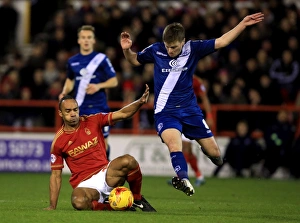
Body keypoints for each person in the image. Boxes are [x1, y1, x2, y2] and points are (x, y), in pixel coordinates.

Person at [120, 12, 264, 196]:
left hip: (190, 111)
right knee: (175, 145)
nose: (170, 51)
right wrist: (126, 50)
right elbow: (134, 60)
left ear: (183, 42)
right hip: (166, 111)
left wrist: (242, 24)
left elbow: (222, 41)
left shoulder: (194, 49)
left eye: (173, 47)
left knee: (216, 155)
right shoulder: (155, 50)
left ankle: (205, 151)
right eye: (167, 47)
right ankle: (183, 178)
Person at [45, 84, 156, 212]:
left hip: (106, 174)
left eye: (75, 110)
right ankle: (111, 206)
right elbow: (55, 175)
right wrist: (52, 206)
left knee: (129, 161)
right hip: (86, 185)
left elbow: (123, 114)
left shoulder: (93, 120)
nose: (73, 114)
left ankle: (137, 199)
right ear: (60, 113)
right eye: (68, 111)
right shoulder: (58, 141)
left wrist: (140, 102)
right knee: (78, 202)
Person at [59, 25, 118, 160]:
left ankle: (105, 170)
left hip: (99, 108)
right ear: (79, 40)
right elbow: (70, 80)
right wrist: (63, 92)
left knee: (103, 143)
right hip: (80, 108)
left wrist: (99, 86)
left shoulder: (101, 59)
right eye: (83, 38)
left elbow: (114, 81)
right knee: (82, 145)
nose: (86, 40)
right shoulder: (72, 61)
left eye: (89, 38)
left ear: (93, 40)